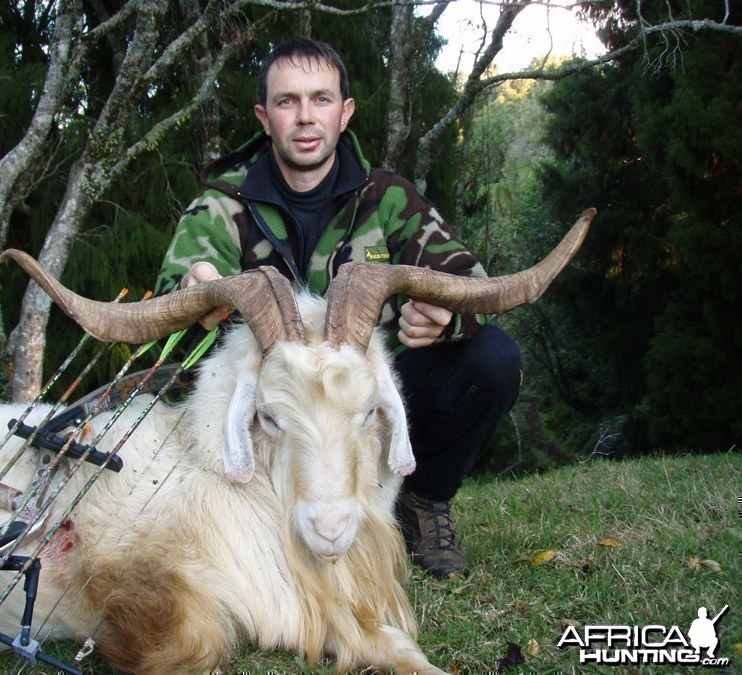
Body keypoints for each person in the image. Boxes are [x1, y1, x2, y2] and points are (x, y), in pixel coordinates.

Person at [154, 36, 522, 579]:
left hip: (362, 410)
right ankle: (263, 517)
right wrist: (194, 289)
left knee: (493, 358)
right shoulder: (221, 205)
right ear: (264, 117)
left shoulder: (388, 198)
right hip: (276, 422)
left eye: (321, 99)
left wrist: (445, 314)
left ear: (344, 112)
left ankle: (423, 501)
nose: (305, 117)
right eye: (287, 102)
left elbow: (473, 282)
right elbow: (173, 299)